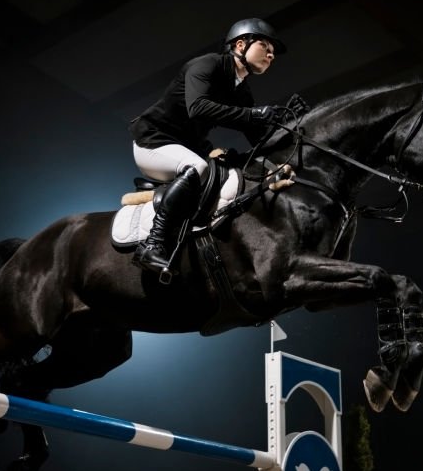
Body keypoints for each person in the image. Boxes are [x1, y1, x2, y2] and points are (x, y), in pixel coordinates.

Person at [128, 17, 305, 279]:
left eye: (273, 52)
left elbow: (260, 139)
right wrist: (255, 114)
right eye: (266, 46)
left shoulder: (241, 91)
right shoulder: (206, 64)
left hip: (186, 146)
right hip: (153, 142)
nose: (271, 54)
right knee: (197, 167)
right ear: (241, 44)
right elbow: (197, 107)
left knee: (231, 173)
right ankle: (152, 244)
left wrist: (293, 123)